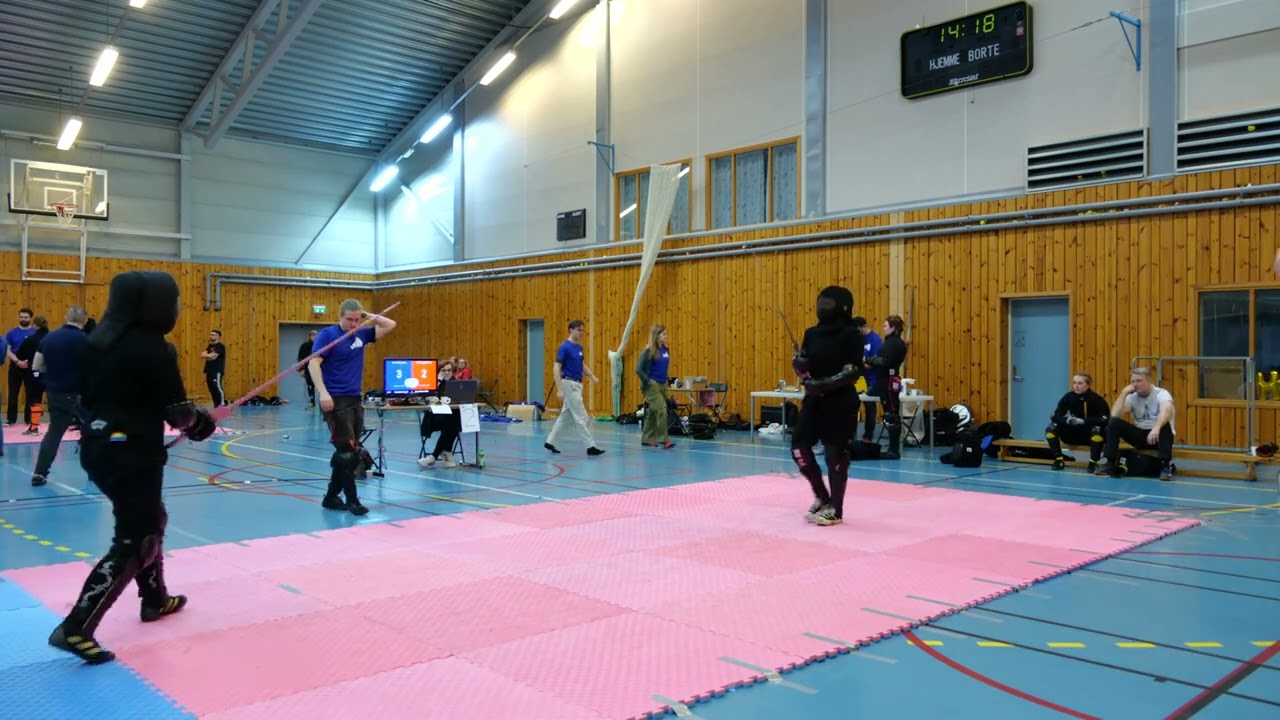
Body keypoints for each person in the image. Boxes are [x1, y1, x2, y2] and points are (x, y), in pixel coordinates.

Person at [47, 271, 218, 665]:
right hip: (133, 455)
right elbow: (179, 414)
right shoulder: (153, 348)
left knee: (151, 519)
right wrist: (201, 424)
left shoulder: (96, 342)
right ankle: (75, 627)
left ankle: (155, 598)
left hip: (97, 448)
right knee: (137, 539)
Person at [308, 299, 396, 515]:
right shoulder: (328, 335)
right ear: (341, 316)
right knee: (347, 452)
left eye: (357, 319)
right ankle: (352, 500)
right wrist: (323, 393)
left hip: (355, 398)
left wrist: (367, 316)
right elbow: (313, 363)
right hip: (335, 399)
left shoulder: (362, 333)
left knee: (350, 451)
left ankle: (331, 497)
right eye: (350, 319)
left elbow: (390, 324)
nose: (354, 324)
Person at [791, 286, 862, 526]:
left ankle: (836, 509)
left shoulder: (851, 334)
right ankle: (822, 497)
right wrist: (800, 367)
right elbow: (805, 365)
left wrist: (821, 384)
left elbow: (852, 371)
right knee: (798, 447)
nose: (822, 308)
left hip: (840, 402)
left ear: (842, 307)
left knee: (835, 454)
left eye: (827, 304)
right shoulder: (811, 333)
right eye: (820, 303)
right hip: (814, 401)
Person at [30, 306, 91, 486]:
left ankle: (39, 473)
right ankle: (94, 471)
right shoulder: (86, 340)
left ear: (66, 317)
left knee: (54, 433)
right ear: (84, 321)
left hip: (55, 393)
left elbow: (36, 366)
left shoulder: (49, 338)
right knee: (91, 432)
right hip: (79, 394)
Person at [1096, 367, 1176, 481]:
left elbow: (1166, 411)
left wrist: (1156, 428)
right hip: (1140, 436)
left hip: (1158, 436)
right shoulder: (1132, 397)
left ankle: (1165, 467)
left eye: (1139, 381)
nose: (1135, 384)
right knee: (1114, 423)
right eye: (1133, 381)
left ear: (1149, 380)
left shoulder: (1161, 393)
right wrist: (1123, 393)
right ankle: (1109, 462)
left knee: (1165, 425)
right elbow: (1115, 415)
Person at [544, 320, 604, 456]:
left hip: (578, 384)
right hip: (569, 384)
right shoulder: (564, 347)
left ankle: (550, 441)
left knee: (565, 416)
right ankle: (590, 446)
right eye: (579, 330)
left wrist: (592, 376)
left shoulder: (579, 348)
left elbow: (582, 365)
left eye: (583, 330)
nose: (581, 333)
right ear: (571, 330)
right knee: (582, 417)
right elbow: (556, 367)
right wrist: (560, 389)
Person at [864, 315, 909, 460]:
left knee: (892, 415)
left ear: (893, 328)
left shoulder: (894, 344)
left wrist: (870, 360)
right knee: (890, 413)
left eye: (886, 326)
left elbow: (885, 361)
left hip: (888, 382)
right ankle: (892, 448)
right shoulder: (892, 343)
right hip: (884, 381)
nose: (883, 328)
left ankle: (893, 450)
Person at [1045, 373, 1110, 473]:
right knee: (1051, 428)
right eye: (1074, 383)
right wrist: (1066, 420)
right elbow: (1055, 416)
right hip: (1073, 433)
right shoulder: (1068, 397)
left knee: (1097, 430)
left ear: (1088, 385)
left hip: (1089, 435)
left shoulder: (1096, 399)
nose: (1076, 386)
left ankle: (1093, 462)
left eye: (1080, 383)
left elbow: (1105, 419)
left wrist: (1084, 421)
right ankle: (1059, 460)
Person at [636, 324, 675, 449]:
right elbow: (638, 369)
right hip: (652, 385)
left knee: (653, 412)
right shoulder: (648, 351)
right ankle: (663, 439)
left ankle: (647, 438)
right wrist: (648, 381)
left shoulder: (665, 349)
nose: (666, 336)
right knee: (662, 409)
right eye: (664, 334)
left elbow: (663, 367)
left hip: (662, 384)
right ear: (657, 336)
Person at [16, 315, 50, 434]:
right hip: (52, 373)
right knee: (54, 400)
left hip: (36, 373)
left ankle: (34, 427)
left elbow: (20, 355)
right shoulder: (54, 338)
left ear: (35, 325)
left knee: (35, 399)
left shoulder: (30, 339)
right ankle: (56, 428)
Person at [6, 307, 38, 426]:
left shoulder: (35, 332)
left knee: (30, 393)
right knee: (13, 393)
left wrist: (28, 361)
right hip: (15, 366)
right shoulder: (11, 332)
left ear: (30, 318)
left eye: (26, 317)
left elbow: (39, 350)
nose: (23, 319)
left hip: (30, 366)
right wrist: (17, 361)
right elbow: (8, 350)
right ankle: (11, 419)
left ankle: (29, 419)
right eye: (21, 317)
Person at [853, 316, 882, 442]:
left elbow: (876, 362)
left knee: (870, 407)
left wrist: (863, 364)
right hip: (858, 379)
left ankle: (868, 435)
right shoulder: (857, 339)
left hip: (871, 379)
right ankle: (851, 435)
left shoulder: (875, 340)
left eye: (857, 330)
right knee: (853, 405)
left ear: (863, 327)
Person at [200, 330, 227, 407]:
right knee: (211, 388)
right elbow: (202, 355)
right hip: (209, 370)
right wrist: (208, 355)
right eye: (210, 334)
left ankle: (222, 404)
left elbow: (213, 357)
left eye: (213, 335)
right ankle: (216, 404)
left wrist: (207, 355)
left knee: (217, 387)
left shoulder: (220, 346)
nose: (210, 336)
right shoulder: (210, 346)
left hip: (216, 370)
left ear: (218, 336)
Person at [297, 329, 317, 408]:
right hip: (308, 368)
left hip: (318, 368)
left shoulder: (320, 345)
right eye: (313, 335)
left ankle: (322, 402)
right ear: (310, 336)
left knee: (320, 385)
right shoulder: (304, 346)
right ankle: (312, 402)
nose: (315, 337)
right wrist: (301, 369)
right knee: (310, 385)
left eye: (316, 336)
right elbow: (300, 358)